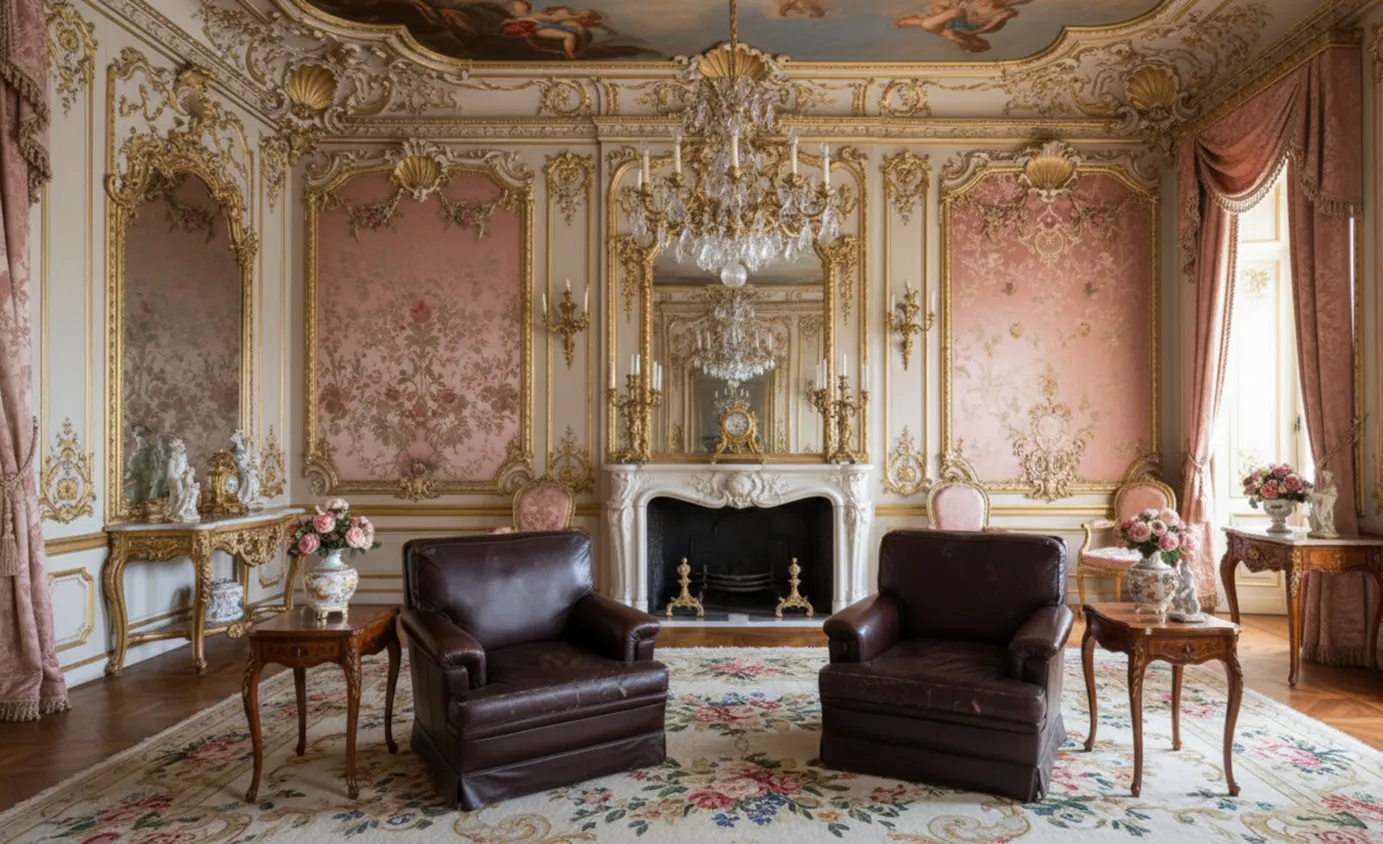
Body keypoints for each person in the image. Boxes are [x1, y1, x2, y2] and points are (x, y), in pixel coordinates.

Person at [894, 0, 1033, 53]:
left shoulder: (1001, 14)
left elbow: (989, 28)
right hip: (953, 20)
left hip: (960, 24)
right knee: (943, 10)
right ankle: (941, 29)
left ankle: (939, 28)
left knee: (927, 23)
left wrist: (971, 34)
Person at [500, 2, 616, 58]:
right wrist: (574, 17)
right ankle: (571, 57)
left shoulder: (534, 14)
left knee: (571, 35)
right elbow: (553, 19)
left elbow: (554, 19)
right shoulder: (534, 16)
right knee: (569, 36)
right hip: (539, 29)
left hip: (545, 27)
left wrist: (604, 27)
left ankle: (572, 55)